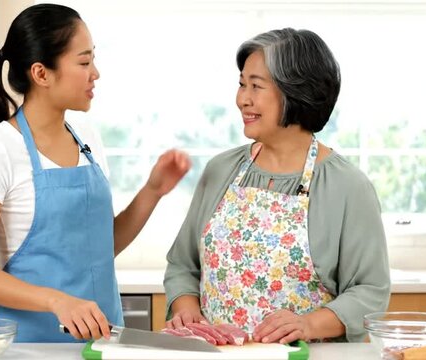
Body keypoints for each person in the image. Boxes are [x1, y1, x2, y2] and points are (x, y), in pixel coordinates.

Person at [0, 4, 191, 343]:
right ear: (41, 74)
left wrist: (153, 190)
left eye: (93, 59)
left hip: (103, 343)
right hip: (30, 347)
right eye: (83, 62)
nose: (95, 73)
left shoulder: (87, 137)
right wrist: (57, 301)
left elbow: (99, 247)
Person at [163, 28, 390, 344]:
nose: (243, 99)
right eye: (242, 84)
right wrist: (185, 307)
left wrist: (308, 325)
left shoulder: (347, 187)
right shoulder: (221, 171)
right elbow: (183, 265)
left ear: (297, 92)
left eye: (256, 86)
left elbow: (370, 291)